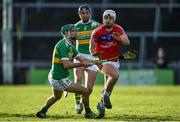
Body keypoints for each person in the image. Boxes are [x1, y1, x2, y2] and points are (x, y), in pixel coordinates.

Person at [36, 24, 98, 119]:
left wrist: (95, 61)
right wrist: (82, 64)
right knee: (85, 91)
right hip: (59, 78)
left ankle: (41, 112)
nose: (76, 33)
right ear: (66, 34)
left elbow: (82, 59)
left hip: (56, 76)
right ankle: (88, 113)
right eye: (72, 31)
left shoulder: (71, 46)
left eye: (76, 31)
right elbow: (66, 65)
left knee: (56, 97)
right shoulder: (63, 46)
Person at [90, 9, 130, 118]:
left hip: (114, 61)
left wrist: (119, 39)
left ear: (114, 19)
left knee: (108, 86)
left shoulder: (118, 29)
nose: (107, 20)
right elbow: (91, 48)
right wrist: (97, 59)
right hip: (102, 61)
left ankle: (101, 106)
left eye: (110, 18)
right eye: (105, 18)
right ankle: (105, 96)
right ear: (103, 19)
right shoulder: (97, 31)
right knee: (115, 76)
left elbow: (127, 42)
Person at [73, 5, 99, 114]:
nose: (84, 15)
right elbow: (70, 41)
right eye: (82, 13)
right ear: (79, 15)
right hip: (80, 56)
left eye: (86, 13)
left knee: (89, 88)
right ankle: (77, 104)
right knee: (78, 80)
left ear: (90, 13)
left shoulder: (96, 25)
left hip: (92, 57)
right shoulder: (75, 26)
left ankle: (83, 103)